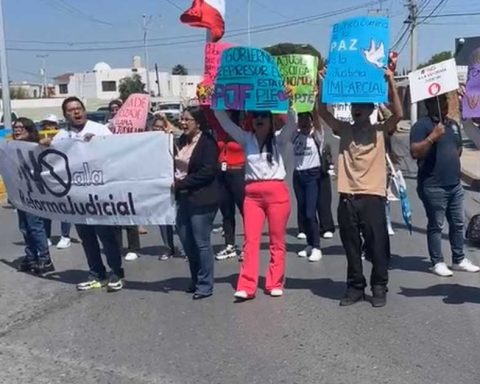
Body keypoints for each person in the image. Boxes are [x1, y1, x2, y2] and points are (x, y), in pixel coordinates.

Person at [317, 69, 403, 308]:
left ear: (370, 110)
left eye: (361, 106)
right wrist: (322, 81)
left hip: (373, 198)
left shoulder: (379, 131)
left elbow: (398, 114)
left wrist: (391, 82)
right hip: (347, 198)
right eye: (354, 105)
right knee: (352, 247)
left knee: (378, 246)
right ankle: (355, 287)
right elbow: (323, 111)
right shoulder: (343, 129)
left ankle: (378, 286)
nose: (356, 108)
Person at [41, 96, 125, 292]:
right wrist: (44, 146)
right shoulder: (61, 136)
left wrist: (97, 144)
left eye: (79, 108)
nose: (76, 112)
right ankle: (96, 273)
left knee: (106, 236)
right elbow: (54, 163)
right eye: (71, 110)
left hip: (99, 195)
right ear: (65, 115)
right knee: (87, 238)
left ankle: (116, 272)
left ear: (84, 110)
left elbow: (115, 155)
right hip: (76, 199)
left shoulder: (100, 130)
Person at [215, 107, 294, 301]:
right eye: (256, 116)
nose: (259, 119)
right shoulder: (246, 138)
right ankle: (247, 285)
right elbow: (225, 123)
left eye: (263, 116)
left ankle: (274, 282)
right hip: (252, 195)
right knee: (250, 241)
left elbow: (293, 123)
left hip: (276, 193)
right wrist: (216, 100)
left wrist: (289, 103)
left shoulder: (279, 139)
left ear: (270, 119)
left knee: (277, 240)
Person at [410, 94, 479, 277]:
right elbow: (415, 152)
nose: (445, 105)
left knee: (457, 223)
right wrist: (432, 138)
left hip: (454, 185)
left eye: (446, 101)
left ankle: (459, 259)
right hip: (433, 186)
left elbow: (458, 148)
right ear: (430, 104)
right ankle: (437, 262)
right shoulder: (421, 126)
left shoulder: (453, 125)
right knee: (436, 225)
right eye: (441, 101)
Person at [174, 106, 219, 300]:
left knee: (201, 243)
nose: (183, 123)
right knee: (187, 242)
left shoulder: (208, 142)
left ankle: (205, 284)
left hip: (202, 197)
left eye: (187, 120)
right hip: (182, 198)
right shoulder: (180, 141)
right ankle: (195, 278)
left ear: (198, 123)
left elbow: (208, 171)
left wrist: (181, 183)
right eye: (181, 119)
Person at [13, 118, 55, 275]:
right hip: (21, 194)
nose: (17, 130)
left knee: (35, 226)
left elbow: (49, 146)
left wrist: (44, 143)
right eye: (15, 128)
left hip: (35, 194)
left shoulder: (36, 146)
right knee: (24, 227)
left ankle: (45, 259)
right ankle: (31, 257)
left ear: (29, 130)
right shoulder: (13, 147)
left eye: (20, 127)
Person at [205, 108, 246, 261]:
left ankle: (248, 245)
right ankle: (230, 244)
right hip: (222, 172)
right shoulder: (220, 129)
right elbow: (209, 114)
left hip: (238, 172)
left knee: (245, 210)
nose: (226, 114)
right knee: (226, 212)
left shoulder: (243, 130)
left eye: (229, 112)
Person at [107, 99, 142, 262]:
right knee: (113, 212)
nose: (115, 111)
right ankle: (117, 246)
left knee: (127, 211)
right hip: (111, 175)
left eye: (117, 108)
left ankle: (133, 246)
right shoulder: (106, 129)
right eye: (112, 109)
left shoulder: (133, 129)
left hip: (128, 174)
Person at [288, 106, 324, 262]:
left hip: (312, 176)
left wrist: (314, 105)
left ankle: (316, 246)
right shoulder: (294, 136)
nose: (304, 122)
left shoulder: (316, 136)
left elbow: (317, 119)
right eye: (301, 119)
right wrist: (289, 104)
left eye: (307, 119)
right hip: (298, 176)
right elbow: (288, 122)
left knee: (310, 213)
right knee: (303, 212)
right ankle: (309, 243)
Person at [151, 114, 185, 261]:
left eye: (161, 127)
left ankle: (186, 248)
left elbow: (180, 133)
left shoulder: (174, 141)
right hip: (158, 185)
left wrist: (167, 123)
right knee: (163, 220)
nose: (158, 129)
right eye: (155, 126)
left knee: (178, 218)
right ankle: (168, 248)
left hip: (174, 183)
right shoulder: (147, 142)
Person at [40, 114, 73, 249]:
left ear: (56, 125)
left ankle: (65, 236)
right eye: (45, 123)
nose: (47, 126)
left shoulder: (64, 135)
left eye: (50, 123)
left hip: (62, 176)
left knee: (64, 207)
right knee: (46, 208)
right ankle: (46, 236)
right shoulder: (41, 136)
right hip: (47, 176)